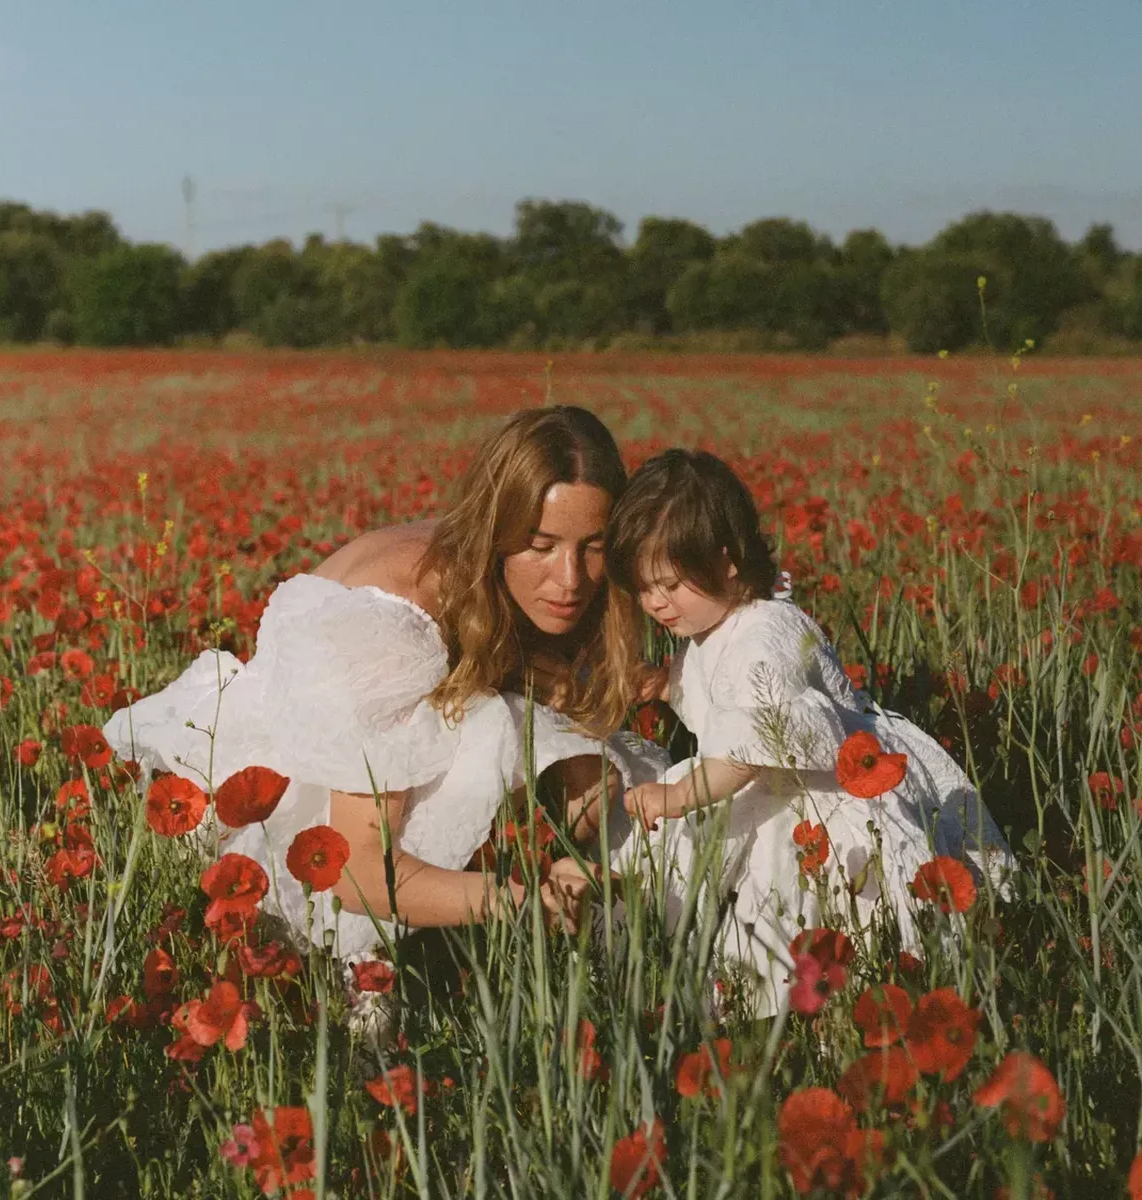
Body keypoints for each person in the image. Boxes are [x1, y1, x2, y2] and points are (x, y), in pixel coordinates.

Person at [104, 407, 667, 961]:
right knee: (513, 738)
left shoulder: (488, 573)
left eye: (593, 548)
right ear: (496, 529)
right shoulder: (397, 622)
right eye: (541, 547)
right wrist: (525, 902)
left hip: (363, 782)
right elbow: (357, 870)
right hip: (287, 809)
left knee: (599, 779)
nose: (571, 580)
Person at [606, 449, 1013, 1017]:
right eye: (644, 587)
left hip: (826, 792)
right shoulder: (718, 621)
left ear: (726, 562)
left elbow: (748, 752)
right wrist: (666, 685)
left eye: (670, 584)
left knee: (818, 905)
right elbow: (717, 694)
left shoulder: (763, 635)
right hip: (769, 776)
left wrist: (676, 796)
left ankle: (817, 1011)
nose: (654, 602)